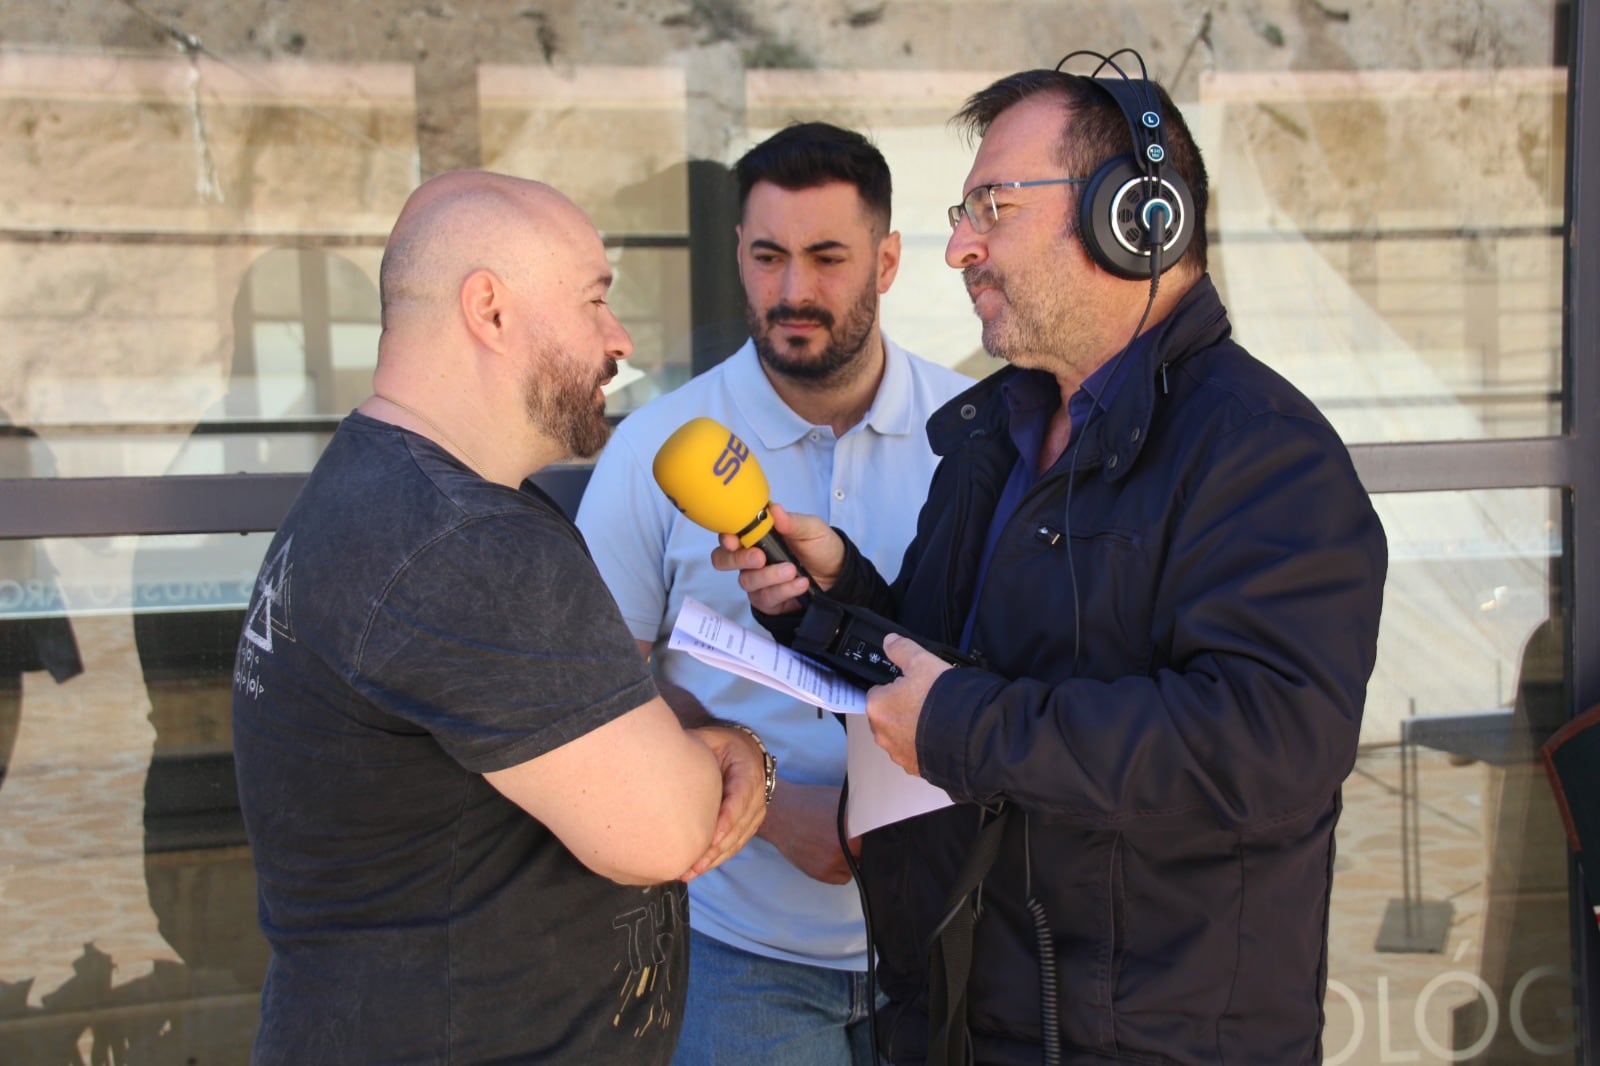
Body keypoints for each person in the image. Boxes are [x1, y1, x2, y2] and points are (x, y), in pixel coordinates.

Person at [717, 58, 1389, 1066]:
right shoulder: (1000, 432)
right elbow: (955, 670)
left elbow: (1267, 743)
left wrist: (965, 725)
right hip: (964, 1016)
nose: (957, 246)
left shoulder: (1262, 453)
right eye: (962, 208)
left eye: (992, 204)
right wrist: (833, 601)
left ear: (1135, 219)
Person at [230, 170, 770, 1066]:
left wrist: (681, 740)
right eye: (596, 299)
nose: (619, 338)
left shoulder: (376, 489)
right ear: (488, 309)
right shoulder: (463, 544)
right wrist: (741, 753)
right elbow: (668, 832)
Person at [575, 121, 970, 1065]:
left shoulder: (975, 437)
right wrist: (766, 800)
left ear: (887, 261)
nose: (794, 290)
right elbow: (594, 685)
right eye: (768, 256)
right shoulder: (651, 449)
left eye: (828, 257)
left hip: (951, 941)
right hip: (736, 956)